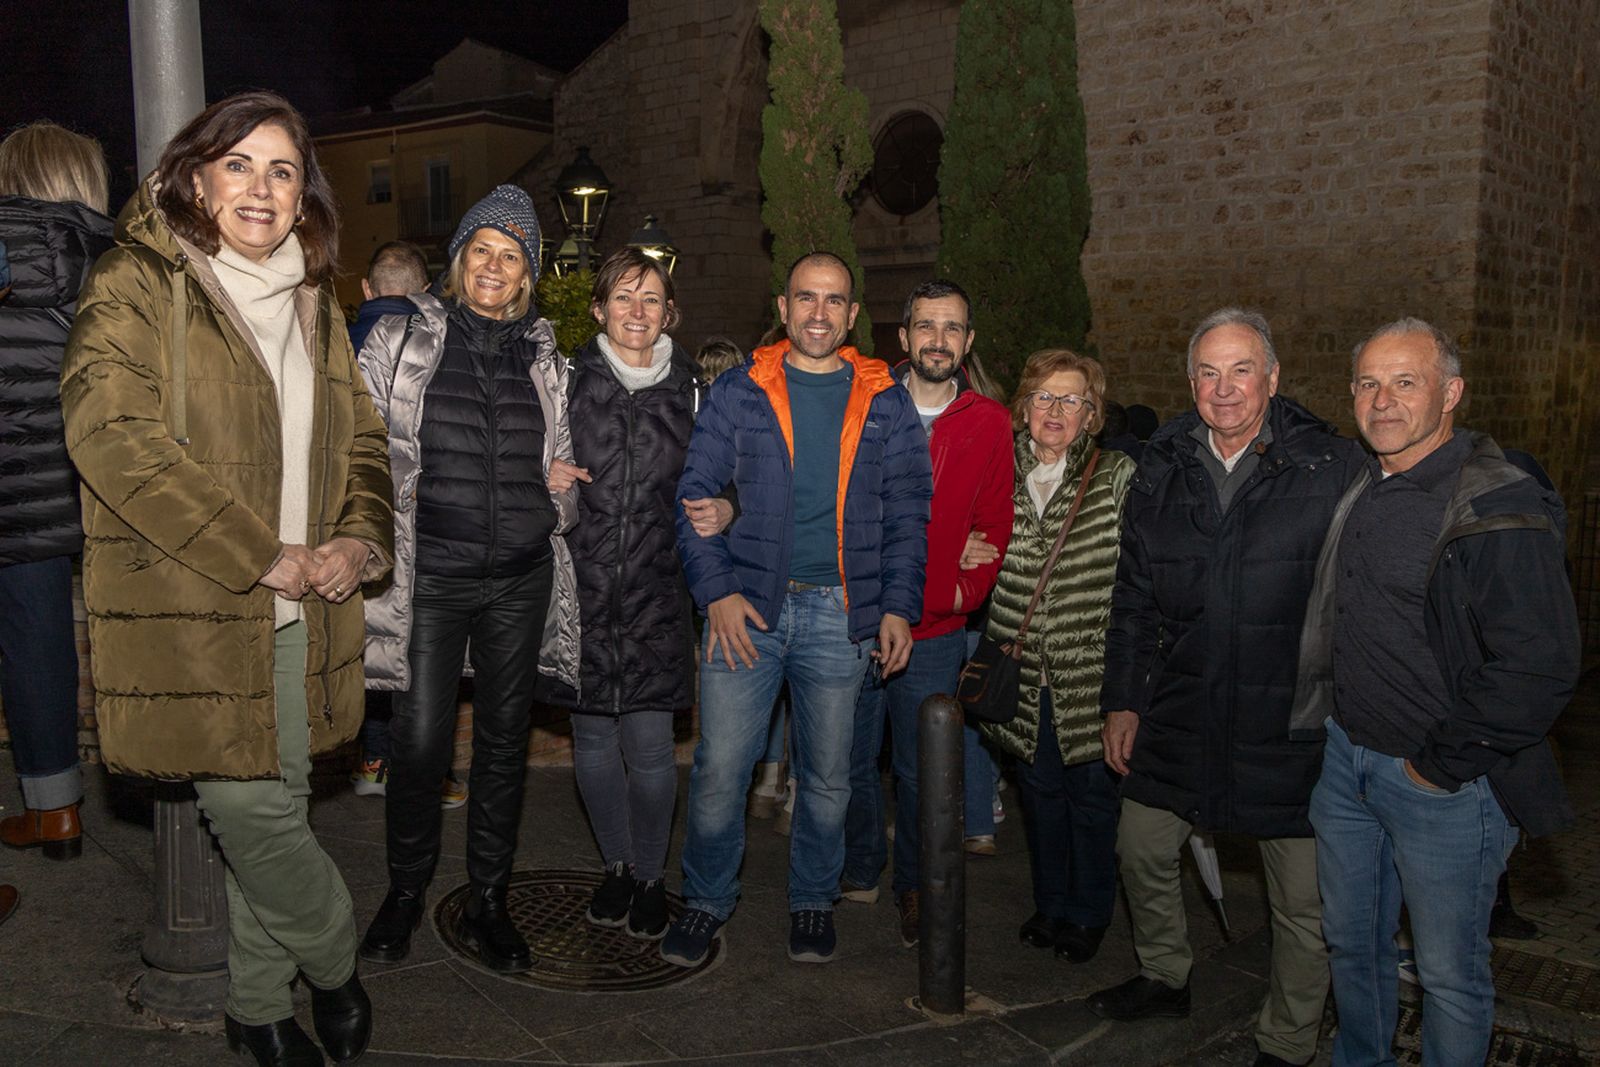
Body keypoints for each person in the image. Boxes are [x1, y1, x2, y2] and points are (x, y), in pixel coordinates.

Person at [61, 90, 392, 1067]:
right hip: (192, 607)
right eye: (239, 163)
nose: (261, 186)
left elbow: (364, 441)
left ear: (304, 195)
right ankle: (335, 961)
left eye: (282, 169)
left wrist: (356, 540)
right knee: (252, 816)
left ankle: (255, 1005)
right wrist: (261, 551)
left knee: (272, 815)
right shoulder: (135, 280)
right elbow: (110, 435)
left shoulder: (314, 302)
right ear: (194, 178)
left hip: (304, 612)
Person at [1292, 318, 1579, 1066]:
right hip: (1346, 767)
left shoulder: (1495, 504)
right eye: (1368, 383)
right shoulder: (1359, 481)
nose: (1382, 400)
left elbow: (1540, 665)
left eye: (1405, 382)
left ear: (1451, 393)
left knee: (1449, 973)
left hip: (1446, 788)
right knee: (1352, 945)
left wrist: (1439, 766)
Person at [1092, 308, 1354, 1067]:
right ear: (1190, 382)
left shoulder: (1329, 466)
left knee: (1300, 898)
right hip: (1181, 705)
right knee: (1141, 845)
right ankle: (1164, 973)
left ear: (1273, 378)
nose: (1225, 388)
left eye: (1242, 370)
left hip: (1290, 718)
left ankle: (1289, 1038)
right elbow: (1133, 597)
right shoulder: (1162, 466)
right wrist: (1123, 699)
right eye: (1209, 372)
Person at [663, 251, 932, 967]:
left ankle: (813, 898)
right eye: (805, 297)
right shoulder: (740, 390)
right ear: (782, 309)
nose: (818, 312)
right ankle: (705, 899)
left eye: (833, 299)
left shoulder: (885, 398)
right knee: (721, 770)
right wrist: (716, 592)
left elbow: (909, 511)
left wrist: (897, 606)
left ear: (852, 314)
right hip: (747, 610)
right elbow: (694, 497)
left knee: (829, 777)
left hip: (842, 615)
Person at [356, 184, 579, 976]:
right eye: (481, 249)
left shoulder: (545, 356)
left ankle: (489, 897)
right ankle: (405, 890)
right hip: (432, 579)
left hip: (518, 578)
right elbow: (360, 448)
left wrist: (559, 492)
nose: (493, 265)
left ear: (527, 274)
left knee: (503, 744)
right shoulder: (401, 338)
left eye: (510, 255)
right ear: (458, 261)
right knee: (418, 743)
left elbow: (565, 461)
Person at [838, 279, 1014, 947]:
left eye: (952, 328)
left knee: (921, 773)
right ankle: (861, 864)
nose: (938, 340)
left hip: (936, 631)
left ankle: (913, 884)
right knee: (849, 760)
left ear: (968, 342)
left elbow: (994, 524)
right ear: (904, 336)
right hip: (855, 621)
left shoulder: (989, 422)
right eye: (926, 326)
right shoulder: (864, 406)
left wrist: (959, 593)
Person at [548, 248, 701, 940]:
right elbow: (522, 454)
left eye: (651, 299)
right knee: (591, 743)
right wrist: (542, 471)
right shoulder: (563, 383)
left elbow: (725, 477)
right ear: (598, 309)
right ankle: (616, 865)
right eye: (622, 297)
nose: (636, 311)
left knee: (649, 749)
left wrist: (725, 506)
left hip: (656, 596)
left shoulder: (695, 392)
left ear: (668, 313)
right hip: (579, 594)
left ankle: (650, 875)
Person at [976, 349, 1135, 963]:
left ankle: (1088, 913)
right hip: (1019, 674)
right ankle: (1050, 904)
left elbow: (1141, 576)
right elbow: (963, 533)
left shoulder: (1115, 475)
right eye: (1044, 396)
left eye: (1072, 400)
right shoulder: (998, 471)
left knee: (1092, 800)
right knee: (1039, 796)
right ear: (1023, 408)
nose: (1056, 410)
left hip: (1088, 676)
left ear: (1091, 415)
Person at [0, 121, 113, 864]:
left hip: (9, 474)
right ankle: (61, 809)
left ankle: (53, 810)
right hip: (83, 477)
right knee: (44, 639)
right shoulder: (110, 258)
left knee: (26, 640)